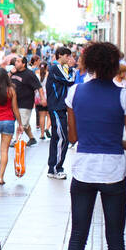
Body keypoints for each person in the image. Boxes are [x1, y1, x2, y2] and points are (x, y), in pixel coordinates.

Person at [65, 42, 126, 250]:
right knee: (115, 240)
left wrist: (93, 139)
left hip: (83, 170)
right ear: (114, 65)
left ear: (91, 65)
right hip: (113, 174)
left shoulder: (75, 93)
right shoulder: (125, 97)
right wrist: (111, 142)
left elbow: (73, 136)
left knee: (77, 238)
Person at [46, 46, 75, 180]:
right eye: (67, 56)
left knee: (57, 137)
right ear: (60, 56)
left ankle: (53, 167)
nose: (69, 59)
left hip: (60, 107)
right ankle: (57, 168)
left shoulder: (60, 69)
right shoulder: (55, 68)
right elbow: (69, 80)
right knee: (62, 137)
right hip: (57, 107)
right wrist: (72, 69)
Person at [10, 56, 41, 145]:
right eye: (15, 61)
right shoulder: (13, 73)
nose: (16, 63)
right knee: (25, 123)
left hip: (26, 103)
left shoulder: (30, 74)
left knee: (21, 123)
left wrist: (42, 98)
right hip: (15, 103)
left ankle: (16, 141)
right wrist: (11, 72)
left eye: (18, 61)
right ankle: (32, 138)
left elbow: (39, 87)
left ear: (24, 64)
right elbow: (5, 81)